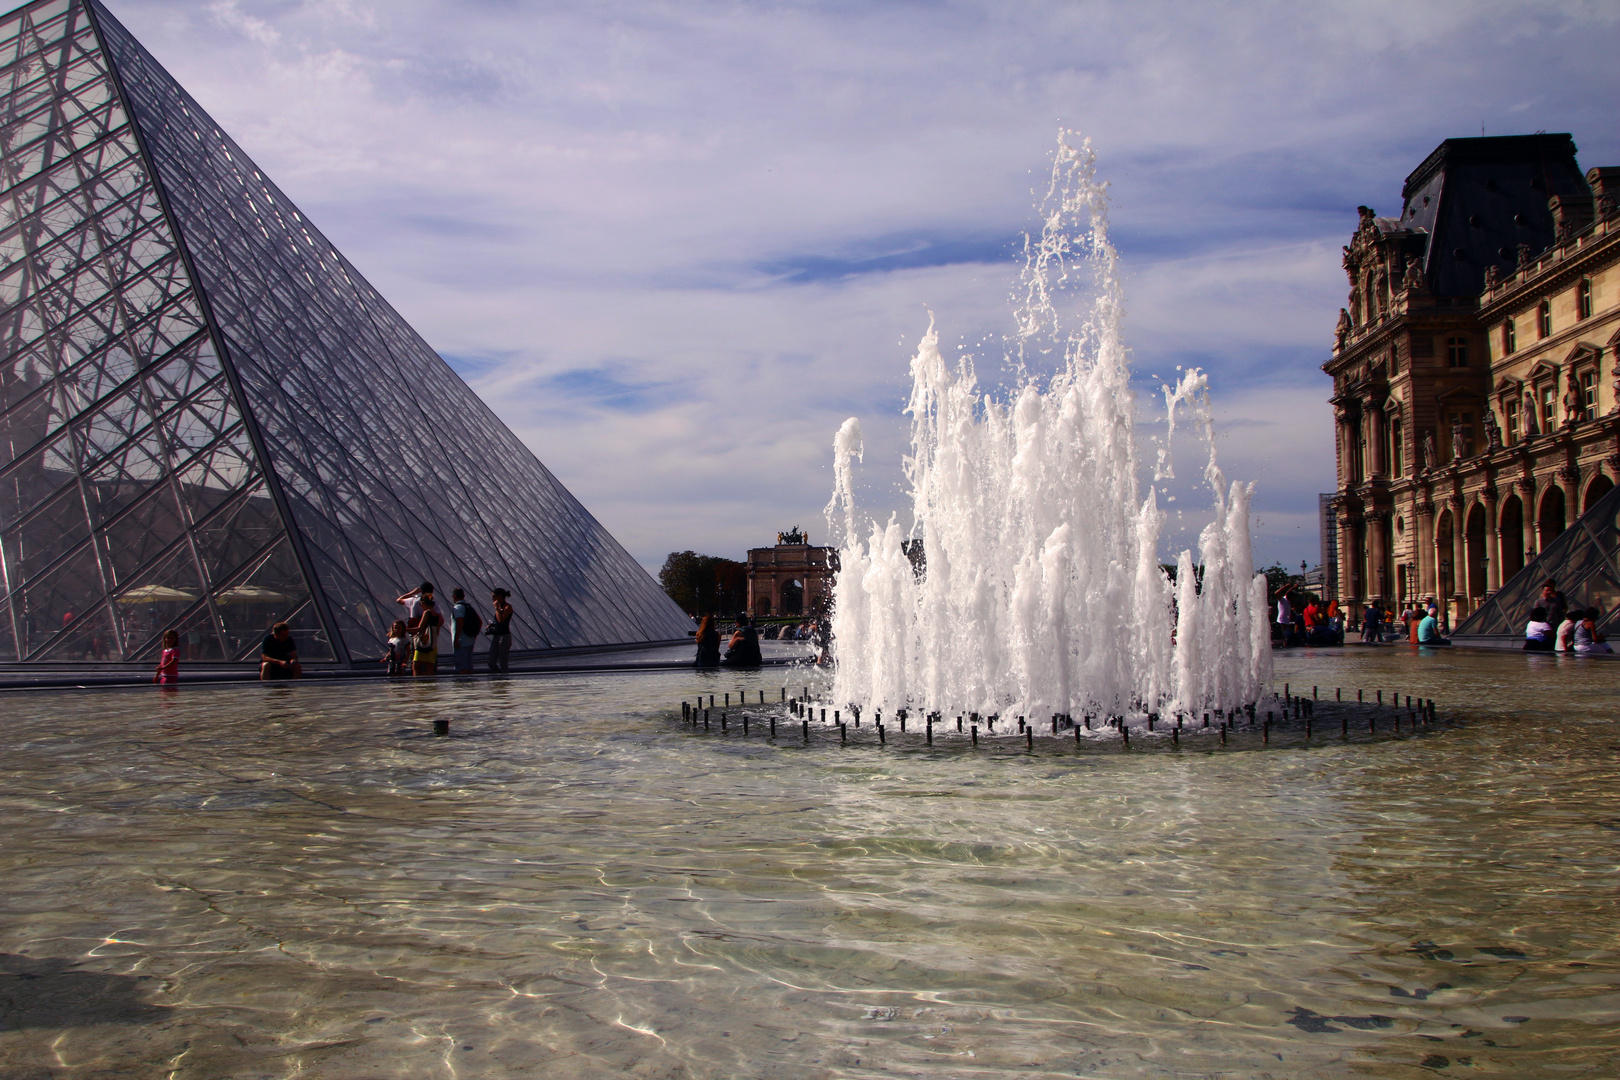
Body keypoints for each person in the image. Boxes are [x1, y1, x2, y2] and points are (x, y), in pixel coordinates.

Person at [409, 596, 442, 677]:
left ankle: (418, 686)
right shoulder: (437, 614)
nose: (420, 606)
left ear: (423, 603)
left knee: (416, 665)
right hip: (433, 643)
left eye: (420, 604)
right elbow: (437, 629)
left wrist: (405, 629)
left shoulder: (426, 612)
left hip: (423, 643)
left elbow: (420, 628)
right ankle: (431, 686)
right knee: (429, 667)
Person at [450, 587, 480, 674]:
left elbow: (460, 621)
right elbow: (480, 622)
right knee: (469, 666)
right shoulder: (469, 607)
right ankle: (470, 684)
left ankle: (463, 685)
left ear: (454, 596)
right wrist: (474, 635)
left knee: (461, 667)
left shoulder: (458, 608)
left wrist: (456, 639)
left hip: (461, 642)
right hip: (470, 640)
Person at [486, 589, 514, 673]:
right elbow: (498, 621)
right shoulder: (499, 607)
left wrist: (497, 608)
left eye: (493, 596)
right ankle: (498, 679)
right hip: (496, 636)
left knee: (503, 662)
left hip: (504, 637)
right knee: (491, 662)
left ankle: (504, 681)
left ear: (500, 596)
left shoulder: (507, 607)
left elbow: (501, 620)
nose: (492, 598)